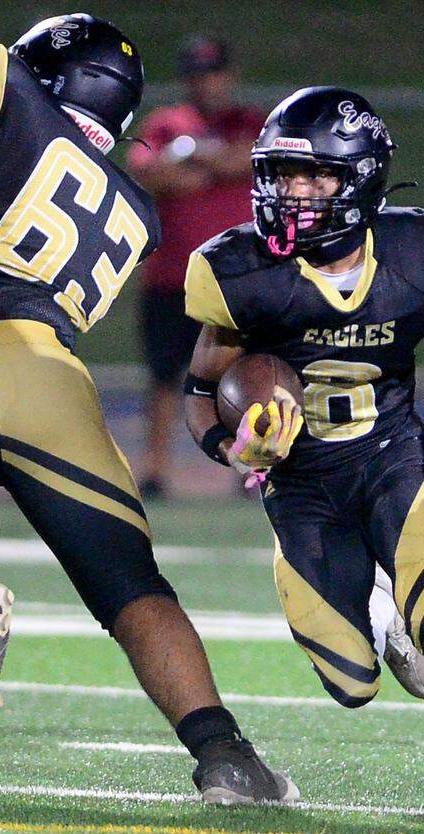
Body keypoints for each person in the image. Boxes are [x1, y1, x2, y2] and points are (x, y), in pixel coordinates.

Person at [0, 13, 297, 805]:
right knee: (132, 588)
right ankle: (225, 755)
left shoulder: (5, 93)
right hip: (40, 371)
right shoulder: (136, 212)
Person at [183, 87, 424, 814]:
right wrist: (238, 453)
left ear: (358, 179)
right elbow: (199, 394)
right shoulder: (240, 272)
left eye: (312, 177)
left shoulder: (420, 255)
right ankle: (380, 614)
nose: (290, 193)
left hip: (392, 461)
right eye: (280, 175)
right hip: (302, 488)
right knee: (351, 682)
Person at [125, 38, 266, 499]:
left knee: (245, 375)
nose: (208, 83)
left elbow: (249, 159)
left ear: (230, 76)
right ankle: (156, 471)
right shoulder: (166, 122)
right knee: (165, 377)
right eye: (199, 74)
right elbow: (148, 173)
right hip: (174, 276)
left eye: (215, 73)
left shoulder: (251, 122)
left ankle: (249, 467)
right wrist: (210, 162)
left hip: (238, 277)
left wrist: (194, 157)